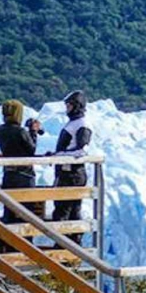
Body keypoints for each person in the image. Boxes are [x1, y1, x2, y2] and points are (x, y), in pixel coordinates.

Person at [0, 100, 44, 250]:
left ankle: (5, 244)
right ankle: (25, 246)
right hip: (25, 176)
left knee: (9, 212)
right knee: (26, 213)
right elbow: (31, 150)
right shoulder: (21, 132)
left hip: (8, 175)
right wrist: (33, 132)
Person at [50, 90, 93, 225]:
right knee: (65, 209)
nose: (67, 109)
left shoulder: (82, 125)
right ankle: (68, 242)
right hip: (66, 172)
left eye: (69, 106)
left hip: (73, 174)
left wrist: (59, 155)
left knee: (66, 210)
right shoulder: (74, 123)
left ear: (77, 106)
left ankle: (65, 243)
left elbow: (81, 150)